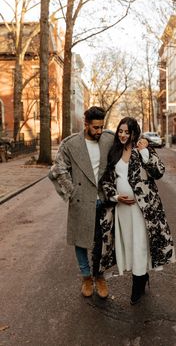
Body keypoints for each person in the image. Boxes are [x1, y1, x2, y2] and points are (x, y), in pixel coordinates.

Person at [101, 117, 176, 305]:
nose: (123, 135)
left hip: (144, 209)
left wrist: (144, 153)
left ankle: (138, 283)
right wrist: (116, 197)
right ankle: (141, 277)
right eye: (120, 131)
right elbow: (107, 181)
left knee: (140, 244)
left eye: (127, 132)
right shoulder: (115, 152)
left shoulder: (143, 150)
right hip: (123, 209)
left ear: (134, 132)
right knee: (129, 244)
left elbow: (159, 172)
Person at [48, 106, 115, 299]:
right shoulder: (70, 144)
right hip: (81, 198)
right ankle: (86, 276)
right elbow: (58, 168)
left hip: (103, 199)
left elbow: (127, 142)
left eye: (101, 127)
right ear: (85, 125)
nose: (99, 131)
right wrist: (71, 192)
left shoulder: (108, 139)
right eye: (95, 128)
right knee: (80, 240)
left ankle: (100, 276)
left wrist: (141, 141)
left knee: (102, 241)